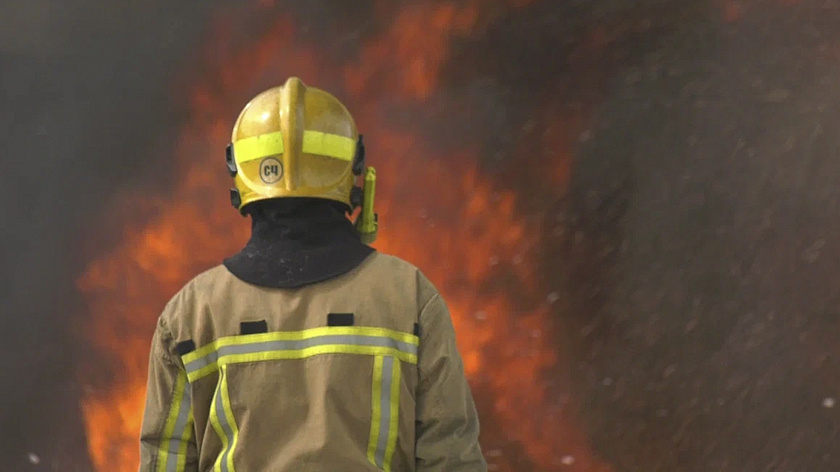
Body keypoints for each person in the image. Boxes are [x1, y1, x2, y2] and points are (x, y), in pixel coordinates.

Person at [138, 77, 487, 471]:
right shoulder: (409, 297)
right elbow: (451, 458)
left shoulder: (191, 314)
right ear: (352, 173)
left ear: (240, 175)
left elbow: (163, 463)